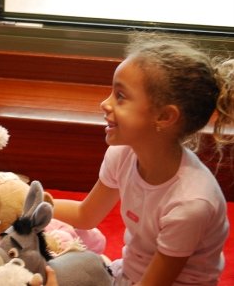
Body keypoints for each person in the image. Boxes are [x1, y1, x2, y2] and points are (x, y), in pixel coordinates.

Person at [52, 32, 233, 286]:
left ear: (165, 117)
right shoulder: (123, 154)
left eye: (120, 96)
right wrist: (27, 201)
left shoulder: (191, 203)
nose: (105, 103)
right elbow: (86, 215)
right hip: (128, 274)